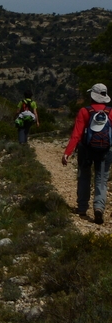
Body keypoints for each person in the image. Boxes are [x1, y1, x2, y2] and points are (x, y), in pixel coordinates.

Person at [62, 83, 112, 225]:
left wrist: (67, 153)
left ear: (92, 96)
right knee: (101, 179)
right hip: (105, 151)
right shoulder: (110, 112)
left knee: (84, 176)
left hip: (86, 150)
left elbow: (76, 135)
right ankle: (99, 208)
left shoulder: (84, 111)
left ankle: (82, 208)